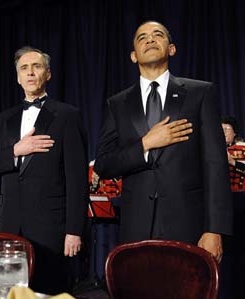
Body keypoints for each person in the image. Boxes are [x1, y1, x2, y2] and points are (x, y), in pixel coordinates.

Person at [94, 21, 232, 263]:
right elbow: (104, 165)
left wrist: (214, 229)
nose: (150, 40)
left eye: (158, 35)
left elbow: (215, 165)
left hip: (189, 226)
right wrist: (145, 144)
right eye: (142, 37)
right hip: (136, 229)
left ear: (172, 49)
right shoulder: (117, 103)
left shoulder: (200, 93)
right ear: (133, 56)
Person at [0, 46, 88, 294]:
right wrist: (16, 150)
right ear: (17, 77)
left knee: (49, 292)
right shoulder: (3, 119)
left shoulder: (67, 115)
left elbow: (77, 179)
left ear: (48, 74)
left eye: (36, 66)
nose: (30, 73)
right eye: (24, 68)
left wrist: (74, 231)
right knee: (9, 293)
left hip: (51, 227)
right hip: (9, 225)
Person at [221, 115, 245, 299]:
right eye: (220, 130)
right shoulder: (214, 150)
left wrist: (231, 162)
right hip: (224, 203)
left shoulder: (242, 148)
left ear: (234, 132)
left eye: (226, 129)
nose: (223, 133)